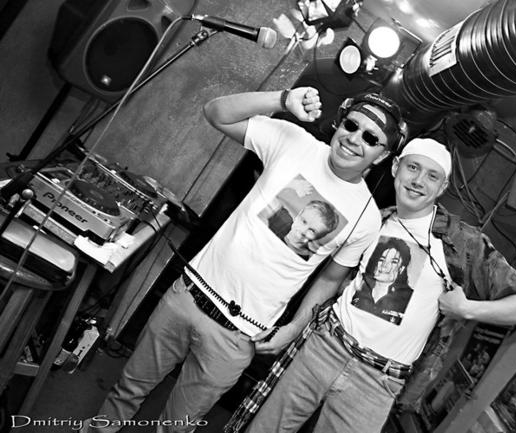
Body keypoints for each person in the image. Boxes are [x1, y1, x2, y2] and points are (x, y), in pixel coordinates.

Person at [82, 87, 407, 433]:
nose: (354, 138)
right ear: (339, 123)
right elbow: (216, 112)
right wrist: (282, 100)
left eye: (370, 138)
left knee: (177, 426)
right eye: (351, 125)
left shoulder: (367, 219)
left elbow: (330, 279)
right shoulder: (295, 142)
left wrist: (293, 328)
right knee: (127, 389)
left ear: (382, 155)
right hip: (188, 296)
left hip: (238, 335)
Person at [234, 138, 516, 433]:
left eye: (432, 176)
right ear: (396, 167)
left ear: (442, 187)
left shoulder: (463, 242)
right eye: (413, 167)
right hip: (323, 348)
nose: (418, 181)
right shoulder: (373, 221)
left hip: (377, 383)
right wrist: (294, 326)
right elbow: (330, 278)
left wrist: (468, 309)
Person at [351, 237, 413, 324]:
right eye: (382, 259)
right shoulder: (361, 283)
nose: (384, 265)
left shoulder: (407, 298)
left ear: (401, 269)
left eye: (394, 262)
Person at [267, 199, 339, 260]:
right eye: (304, 221)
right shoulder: (277, 223)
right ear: (299, 214)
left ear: (320, 236)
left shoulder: (308, 258)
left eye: (312, 231)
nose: (303, 230)